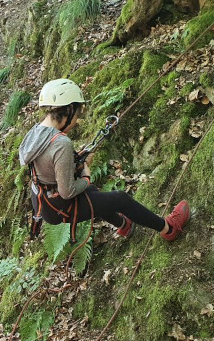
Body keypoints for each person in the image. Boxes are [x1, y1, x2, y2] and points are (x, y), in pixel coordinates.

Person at [19, 78, 190, 243]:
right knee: (120, 199)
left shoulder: (36, 132)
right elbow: (67, 192)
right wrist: (86, 176)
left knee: (94, 194)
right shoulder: (61, 143)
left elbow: (49, 165)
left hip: (44, 201)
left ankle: (123, 225)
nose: (77, 121)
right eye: (77, 115)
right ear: (69, 109)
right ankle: (169, 229)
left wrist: (76, 162)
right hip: (59, 206)